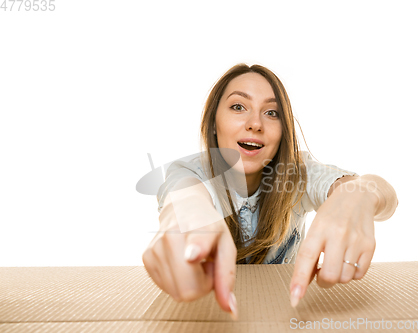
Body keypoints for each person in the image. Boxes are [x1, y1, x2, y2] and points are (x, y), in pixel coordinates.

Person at [142, 63, 398, 321]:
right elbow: (184, 197)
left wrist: (358, 195)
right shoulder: (190, 171)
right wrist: (184, 217)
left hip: (285, 317)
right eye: (238, 106)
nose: (255, 123)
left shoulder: (298, 173)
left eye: (272, 112)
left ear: (283, 130)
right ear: (213, 124)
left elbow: (383, 196)